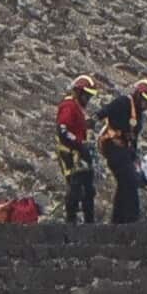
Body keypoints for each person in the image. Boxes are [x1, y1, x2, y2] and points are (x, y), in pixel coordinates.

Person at [94, 78, 147, 224]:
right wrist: (92, 120)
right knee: (130, 181)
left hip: (126, 151)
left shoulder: (139, 113)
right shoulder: (123, 102)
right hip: (114, 148)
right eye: (144, 100)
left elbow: (133, 137)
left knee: (124, 184)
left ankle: (117, 221)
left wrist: (134, 157)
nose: (146, 105)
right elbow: (105, 111)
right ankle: (132, 219)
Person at [56, 74, 98, 224]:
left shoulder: (77, 108)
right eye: (87, 96)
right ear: (79, 92)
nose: (88, 100)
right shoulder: (69, 106)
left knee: (88, 189)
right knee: (75, 188)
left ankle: (89, 222)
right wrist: (79, 144)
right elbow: (63, 130)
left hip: (81, 153)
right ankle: (71, 221)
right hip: (71, 154)